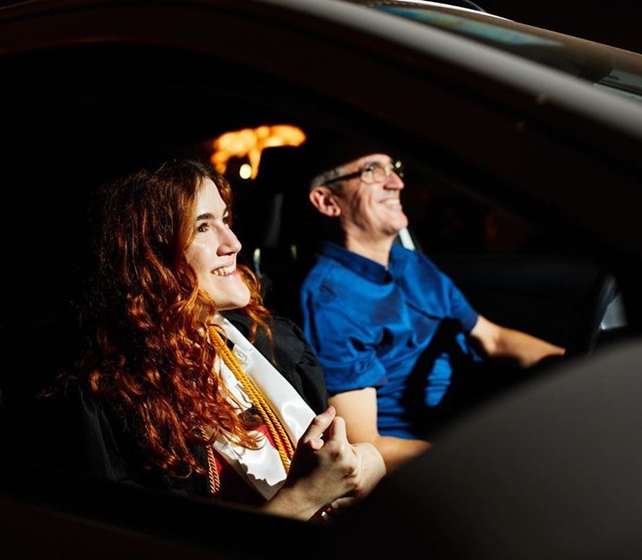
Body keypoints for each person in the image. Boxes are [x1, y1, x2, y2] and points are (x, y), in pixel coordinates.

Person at [28, 156, 385, 522]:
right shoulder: (105, 401)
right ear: (148, 255)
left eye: (225, 220)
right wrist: (303, 499)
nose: (232, 242)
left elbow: (337, 464)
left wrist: (367, 463)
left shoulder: (270, 341)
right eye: (202, 228)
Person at [299, 146, 566, 473]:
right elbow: (366, 443)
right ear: (327, 201)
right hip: (438, 454)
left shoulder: (409, 263)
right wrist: (484, 456)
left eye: (393, 168)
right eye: (372, 171)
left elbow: (493, 338)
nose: (396, 182)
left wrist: (574, 364)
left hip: (486, 415)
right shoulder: (330, 301)